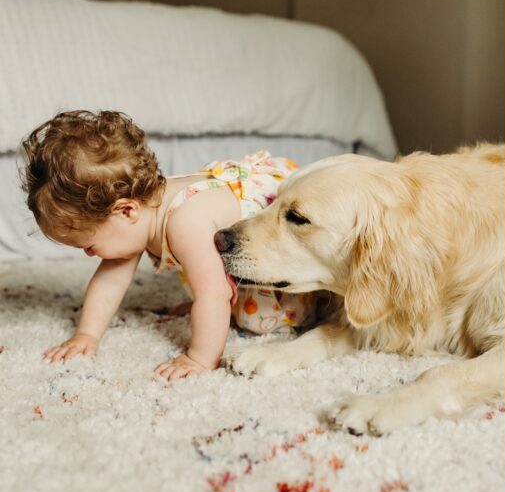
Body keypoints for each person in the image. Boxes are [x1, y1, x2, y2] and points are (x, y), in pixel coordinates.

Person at [21, 110, 317, 380]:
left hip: (285, 254)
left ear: (126, 211)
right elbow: (108, 283)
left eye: (89, 246)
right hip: (237, 247)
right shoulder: (141, 211)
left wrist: (199, 359)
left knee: (248, 316)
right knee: (203, 280)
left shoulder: (184, 222)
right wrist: (86, 335)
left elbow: (215, 295)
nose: (90, 255)